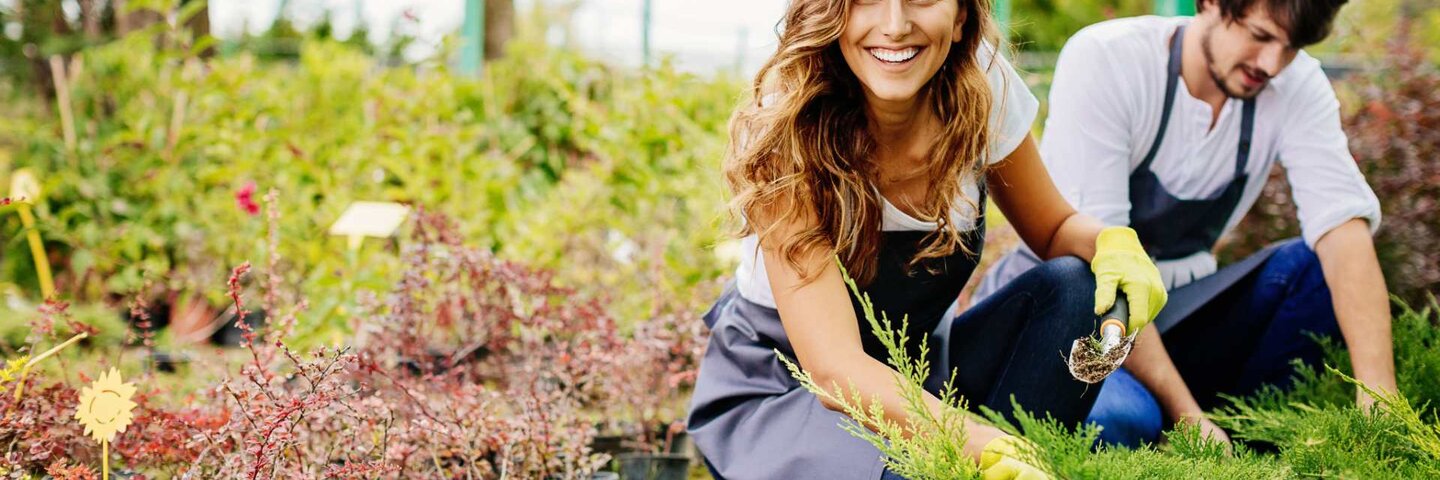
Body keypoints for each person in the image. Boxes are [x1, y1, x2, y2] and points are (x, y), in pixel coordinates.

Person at [684, 0, 1168, 478]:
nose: (895, 25)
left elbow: (1055, 229)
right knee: (918, 469)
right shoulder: (789, 124)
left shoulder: (982, 89)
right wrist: (986, 444)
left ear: (960, 17)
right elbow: (834, 371)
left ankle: (1030, 465)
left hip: (919, 378)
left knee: (1075, 288)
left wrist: (1113, 243)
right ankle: (1008, 461)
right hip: (790, 388)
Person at [974, 0, 1397, 448]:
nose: (1272, 65)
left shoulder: (1296, 83)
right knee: (1120, 423)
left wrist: (1381, 402)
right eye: (1260, 35)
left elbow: (1342, 228)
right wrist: (1187, 416)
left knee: (1310, 271)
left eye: (1291, 48)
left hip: (1181, 310)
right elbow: (1101, 266)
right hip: (1082, 310)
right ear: (1209, 4)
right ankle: (1174, 423)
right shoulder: (1108, 59)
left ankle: (1257, 437)